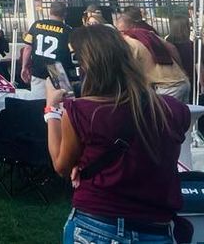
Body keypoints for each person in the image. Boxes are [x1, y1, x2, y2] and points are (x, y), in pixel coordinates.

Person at [46, 24, 190, 244]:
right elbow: (160, 158)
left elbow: (61, 165)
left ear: (88, 65)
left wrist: (52, 111)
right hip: (156, 227)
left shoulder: (82, 112)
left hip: (97, 222)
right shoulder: (172, 109)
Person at [114, 8, 190, 101]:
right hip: (182, 82)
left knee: (163, 115)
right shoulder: (149, 34)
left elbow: (129, 71)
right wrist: (181, 69)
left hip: (167, 88)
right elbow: (172, 48)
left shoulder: (129, 43)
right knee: (184, 114)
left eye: (120, 31)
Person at [22, 1, 77, 99]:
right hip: (57, 71)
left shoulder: (37, 25)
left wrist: (24, 67)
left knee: (38, 102)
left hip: (38, 69)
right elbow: (73, 53)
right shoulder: (68, 30)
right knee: (60, 104)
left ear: (50, 12)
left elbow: (27, 48)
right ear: (65, 14)